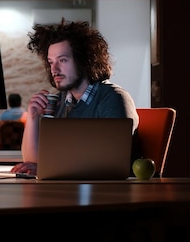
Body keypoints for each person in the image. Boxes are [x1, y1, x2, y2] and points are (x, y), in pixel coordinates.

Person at [11, 19, 139, 175]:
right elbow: (32, 163)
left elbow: (111, 163)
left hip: (105, 193)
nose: (54, 69)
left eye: (63, 60)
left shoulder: (113, 98)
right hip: (70, 190)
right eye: (51, 62)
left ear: (85, 61)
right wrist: (33, 117)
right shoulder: (60, 101)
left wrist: (49, 168)